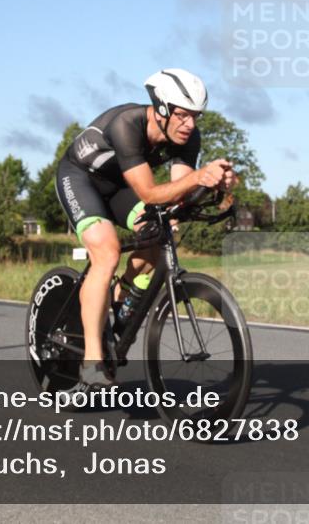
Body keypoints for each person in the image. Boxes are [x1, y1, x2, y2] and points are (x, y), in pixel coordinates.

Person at [55, 69, 238, 388]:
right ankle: (92, 361)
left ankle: (121, 294)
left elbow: (178, 191)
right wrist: (198, 177)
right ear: (162, 108)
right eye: (182, 115)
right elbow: (151, 193)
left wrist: (216, 185)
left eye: (195, 116)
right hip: (82, 179)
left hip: (120, 187)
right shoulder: (128, 124)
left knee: (164, 229)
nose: (190, 125)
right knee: (107, 253)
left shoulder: (187, 136)